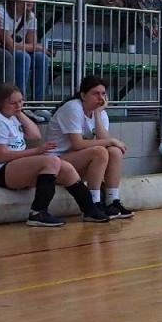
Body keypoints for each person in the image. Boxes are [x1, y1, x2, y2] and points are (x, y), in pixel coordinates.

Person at [0, 83, 106, 226]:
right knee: (52, 161)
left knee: (66, 168)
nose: (18, 105)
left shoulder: (12, 117)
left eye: (21, 101)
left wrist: (19, 113)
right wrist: (36, 151)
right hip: (1, 170)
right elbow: (1, 156)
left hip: (16, 166)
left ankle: (90, 209)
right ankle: (37, 213)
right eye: (13, 103)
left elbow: (35, 135)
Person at [45, 74, 133, 218]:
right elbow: (78, 144)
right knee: (100, 152)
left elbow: (104, 140)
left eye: (103, 93)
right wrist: (110, 141)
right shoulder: (73, 108)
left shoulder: (100, 112)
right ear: (83, 95)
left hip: (77, 161)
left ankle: (113, 201)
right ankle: (93, 204)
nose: (100, 98)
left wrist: (97, 114)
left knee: (114, 152)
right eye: (95, 93)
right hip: (57, 161)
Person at [0, 0, 51, 100]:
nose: (30, 0)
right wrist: (36, 47)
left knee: (41, 58)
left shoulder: (31, 16)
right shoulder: (2, 12)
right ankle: (21, 102)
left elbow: (32, 43)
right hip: (3, 49)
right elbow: (9, 45)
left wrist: (36, 48)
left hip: (15, 49)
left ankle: (38, 104)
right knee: (23, 57)